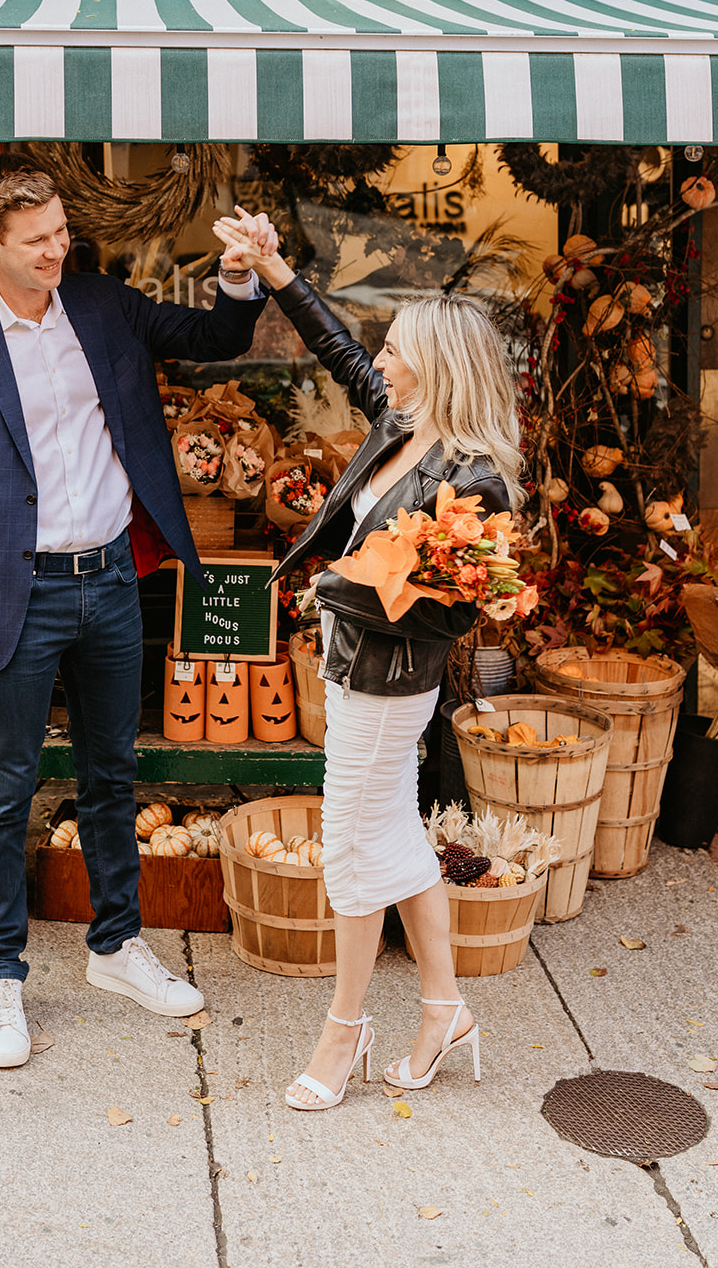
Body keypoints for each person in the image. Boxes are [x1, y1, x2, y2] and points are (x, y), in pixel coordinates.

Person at [0, 156, 271, 1069]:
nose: (57, 251)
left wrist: (238, 275)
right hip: (14, 594)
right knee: (6, 786)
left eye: (63, 233)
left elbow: (220, 337)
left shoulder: (103, 305)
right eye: (38, 242)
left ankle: (115, 946)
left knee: (114, 771)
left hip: (111, 577)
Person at [214, 210, 523, 1111]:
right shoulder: (404, 425)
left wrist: (329, 593)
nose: (380, 360)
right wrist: (274, 269)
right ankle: (444, 1010)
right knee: (391, 839)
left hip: (391, 687)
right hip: (353, 672)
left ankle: (342, 1033)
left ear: (438, 365)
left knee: (349, 854)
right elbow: (337, 350)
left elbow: (443, 618)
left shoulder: (475, 479)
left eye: (397, 349)